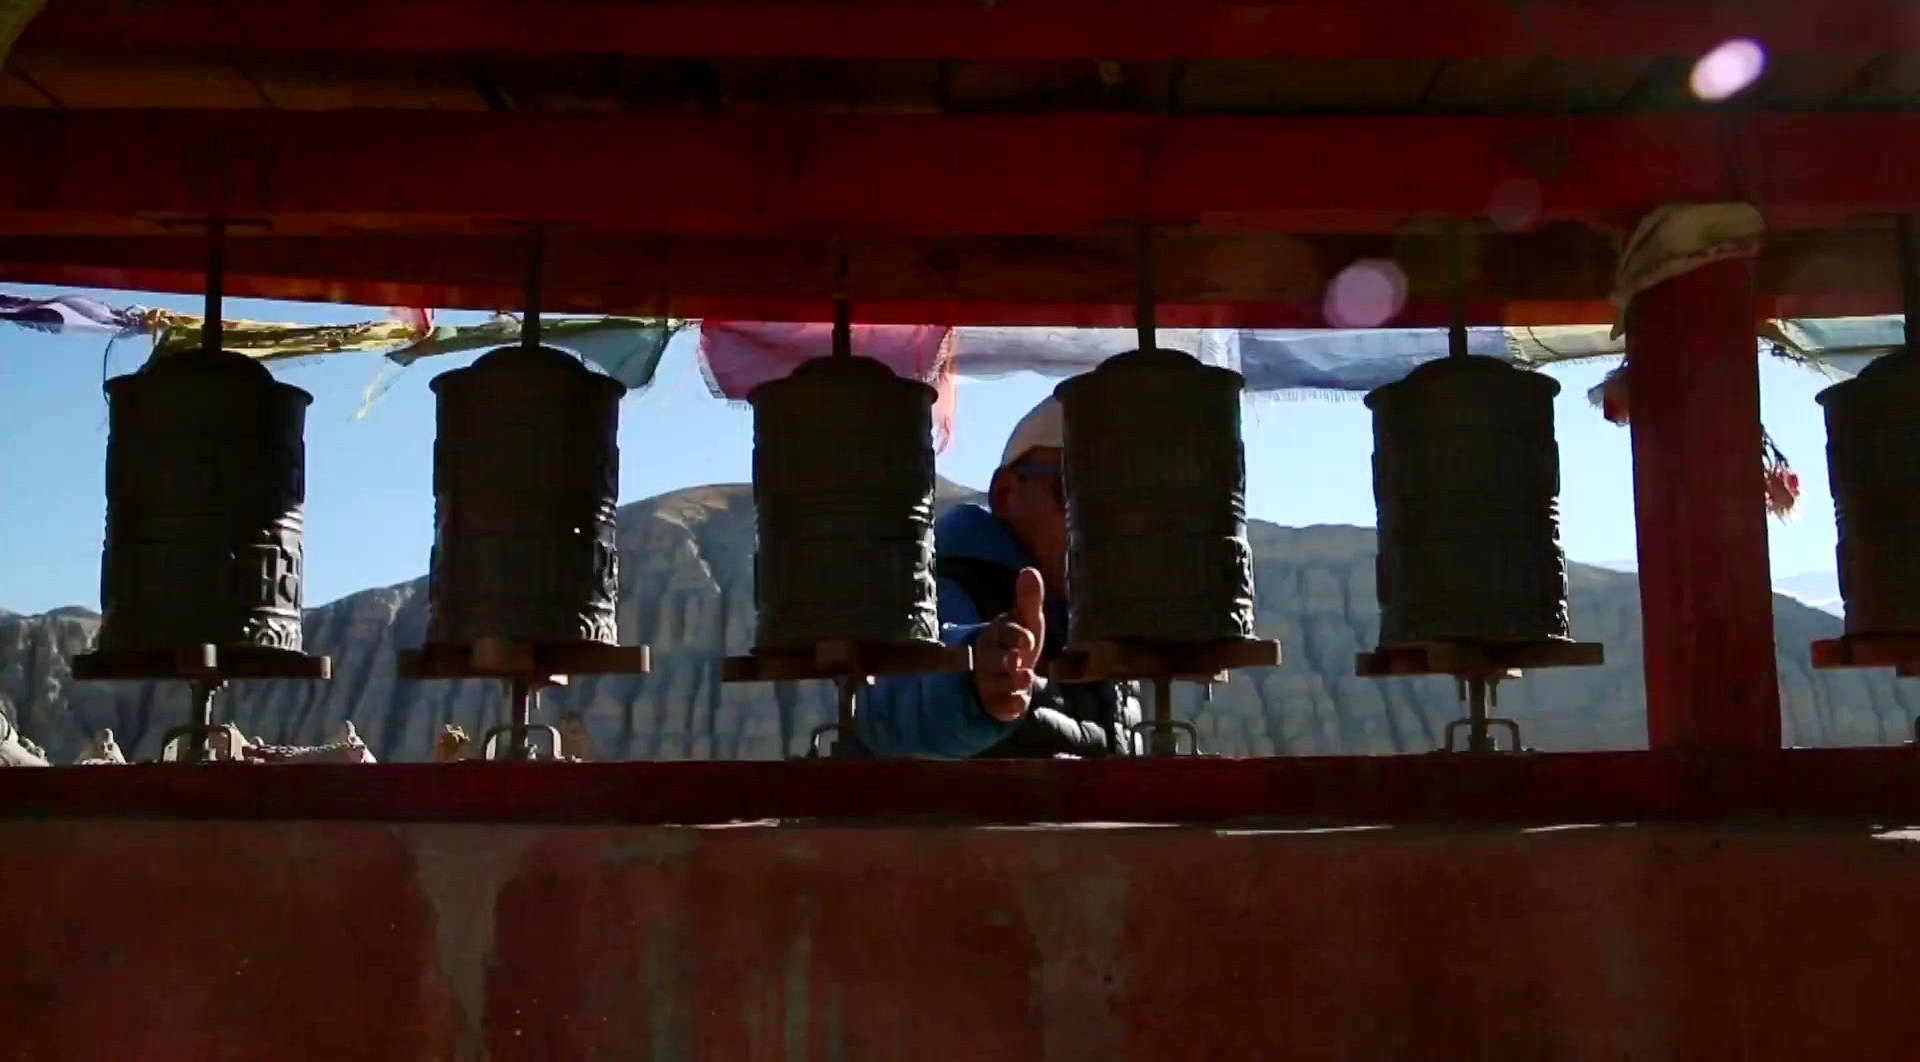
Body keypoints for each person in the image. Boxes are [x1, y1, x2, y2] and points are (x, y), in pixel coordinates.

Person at [855, 396, 1142, 758]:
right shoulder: (943, 589)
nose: (1098, 525)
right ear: (1006, 494)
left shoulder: (1099, 623)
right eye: (1073, 492)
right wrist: (973, 683)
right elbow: (890, 700)